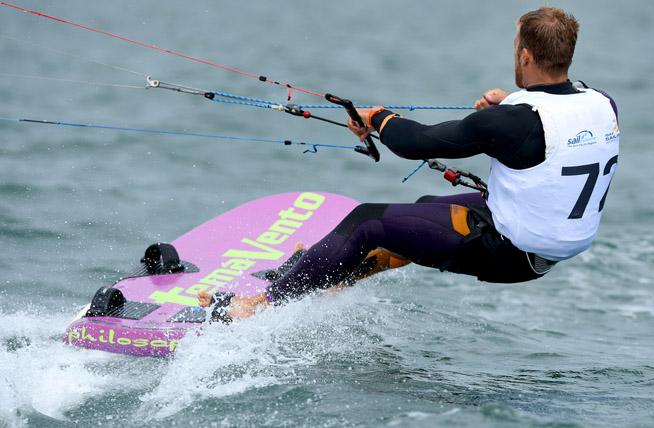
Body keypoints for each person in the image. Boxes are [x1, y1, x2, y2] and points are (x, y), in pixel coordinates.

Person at [199, 6, 619, 321]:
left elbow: (418, 142)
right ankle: (335, 276)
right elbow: (552, 128)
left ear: (524, 54)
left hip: (509, 252)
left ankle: (255, 307)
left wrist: (378, 118)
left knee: (367, 221)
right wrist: (505, 106)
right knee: (421, 208)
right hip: (549, 242)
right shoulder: (602, 104)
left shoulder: (512, 123)